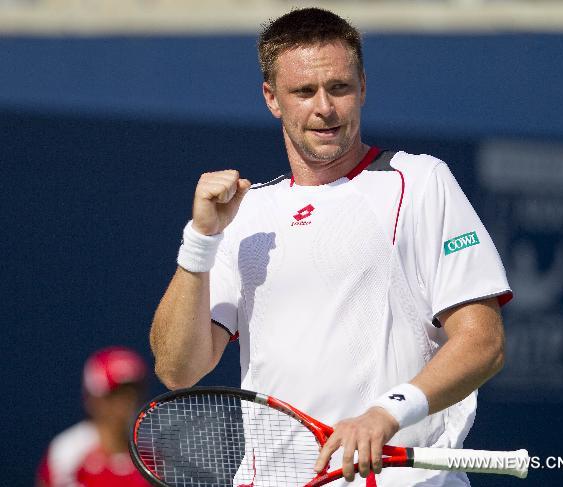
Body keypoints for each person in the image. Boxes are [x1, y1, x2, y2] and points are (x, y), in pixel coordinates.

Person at [150, 7, 513, 486]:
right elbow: (177, 370)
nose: (324, 107)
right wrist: (200, 241)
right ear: (271, 99)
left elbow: (482, 343)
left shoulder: (420, 181)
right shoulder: (246, 214)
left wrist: (386, 413)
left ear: (362, 87)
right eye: (303, 91)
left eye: (339, 87)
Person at [36, 346, 151, 487]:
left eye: (133, 393)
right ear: (93, 400)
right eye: (115, 395)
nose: (127, 403)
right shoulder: (66, 452)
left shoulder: (155, 454)